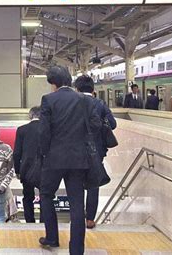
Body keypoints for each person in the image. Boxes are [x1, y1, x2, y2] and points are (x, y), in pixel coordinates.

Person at [39, 66, 101, 254]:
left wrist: (44, 154)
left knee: (46, 194)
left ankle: (52, 237)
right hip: (79, 159)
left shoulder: (48, 100)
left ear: (54, 83)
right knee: (76, 205)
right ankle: (76, 250)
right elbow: (96, 125)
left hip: (54, 158)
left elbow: (44, 132)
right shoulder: (84, 100)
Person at [74, 75, 116, 230]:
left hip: (76, 150)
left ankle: (77, 218)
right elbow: (113, 124)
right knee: (93, 184)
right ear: (93, 89)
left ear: (77, 89)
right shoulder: (100, 104)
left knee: (76, 184)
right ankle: (90, 219)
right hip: (96, 151)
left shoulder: (73, 103)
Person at [14, 106, 42, 223]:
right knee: (45, 196)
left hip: (26, 168)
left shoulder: (22, 130)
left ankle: (29, 221)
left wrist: (17, 170)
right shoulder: (47, 128)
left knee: (27, 196)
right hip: (44, 168)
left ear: (30, 116)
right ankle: (44, 222)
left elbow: (17, 152)